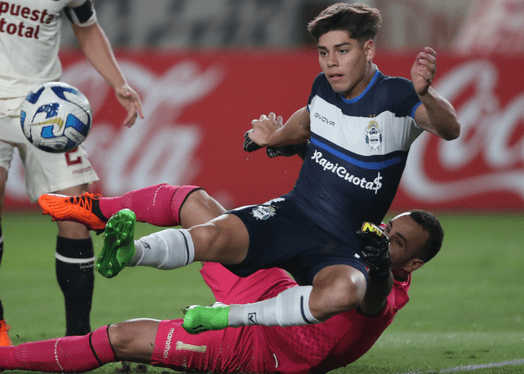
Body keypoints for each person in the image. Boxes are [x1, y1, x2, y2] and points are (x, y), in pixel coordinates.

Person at [82, 2, 460, 333]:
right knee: (213, 236)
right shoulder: (323, 86)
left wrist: (427, 93)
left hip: (343, 243)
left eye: (342, 51)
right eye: (324, 52)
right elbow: (309, 118)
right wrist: (276, 137)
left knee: (347, 291)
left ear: (369, 49)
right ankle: (127, 253)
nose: (331, 62)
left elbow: (450, 128)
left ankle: (226, 316)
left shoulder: (396, 97)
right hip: (293, 215)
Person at [0, 183, 445, 373]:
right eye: (387, 228)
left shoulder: (386, 290)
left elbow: (371, 298)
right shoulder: (364, 244)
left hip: (266, 349)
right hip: (273, 290)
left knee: (122, 337)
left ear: (413, 265)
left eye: (396, 244)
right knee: (198, 205)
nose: (383, 239)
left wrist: (377, 265)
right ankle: (97, 211)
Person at [0, 0, 144, 344]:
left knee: (75, 214)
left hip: (46, 103)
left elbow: (87, 28)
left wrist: (118, 83)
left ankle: (77, 339)